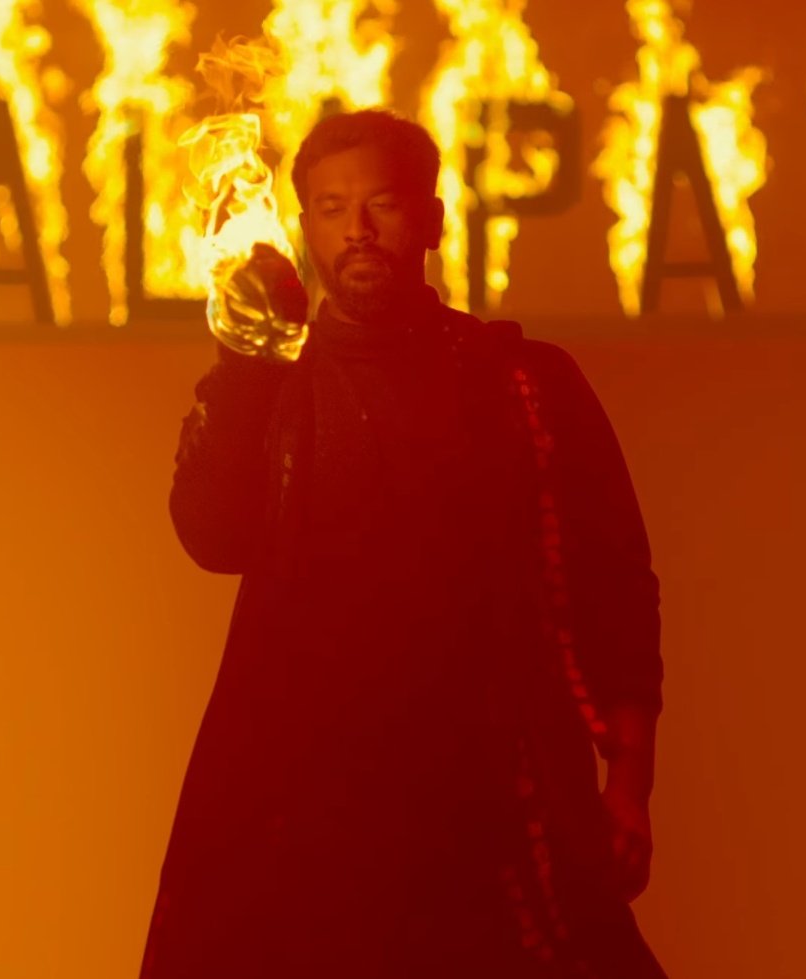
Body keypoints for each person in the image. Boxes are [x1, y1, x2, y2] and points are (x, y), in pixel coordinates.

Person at [140, 108, 667, 979]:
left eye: (380, 202)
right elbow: (211, 535)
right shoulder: (273, 385)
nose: (357, 228)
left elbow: (617, 586)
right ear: (304, 227)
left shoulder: (524, 384)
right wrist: (246, 364)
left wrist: (630, 781)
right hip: (309, 822)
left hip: (493, 806)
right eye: (330, 207)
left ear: (430, 219)